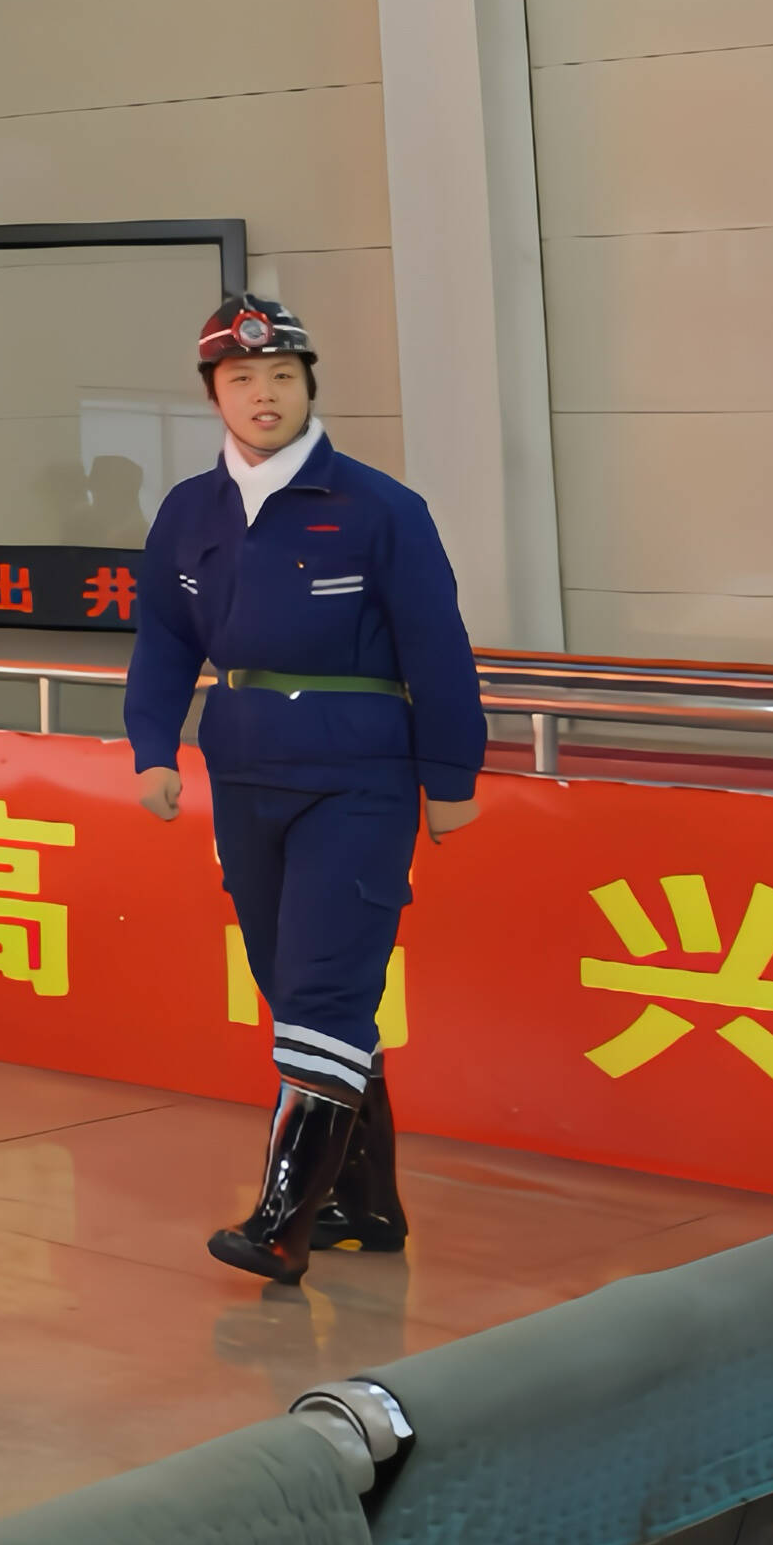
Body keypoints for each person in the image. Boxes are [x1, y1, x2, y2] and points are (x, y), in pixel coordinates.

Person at [123, 290, 483, 1283]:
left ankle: (283, 1221)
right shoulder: (188, 512)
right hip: (243, 770)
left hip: (358, 777)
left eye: (282, 375)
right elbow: (164, 639)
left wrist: (452, 774)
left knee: (327, 986)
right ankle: (364, 1205)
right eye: (243, 379)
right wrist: (154, 747)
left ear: (309, 385)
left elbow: (439, 648)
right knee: (291, 986)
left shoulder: (380, 508)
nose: (265, 394)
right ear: (214, 394)